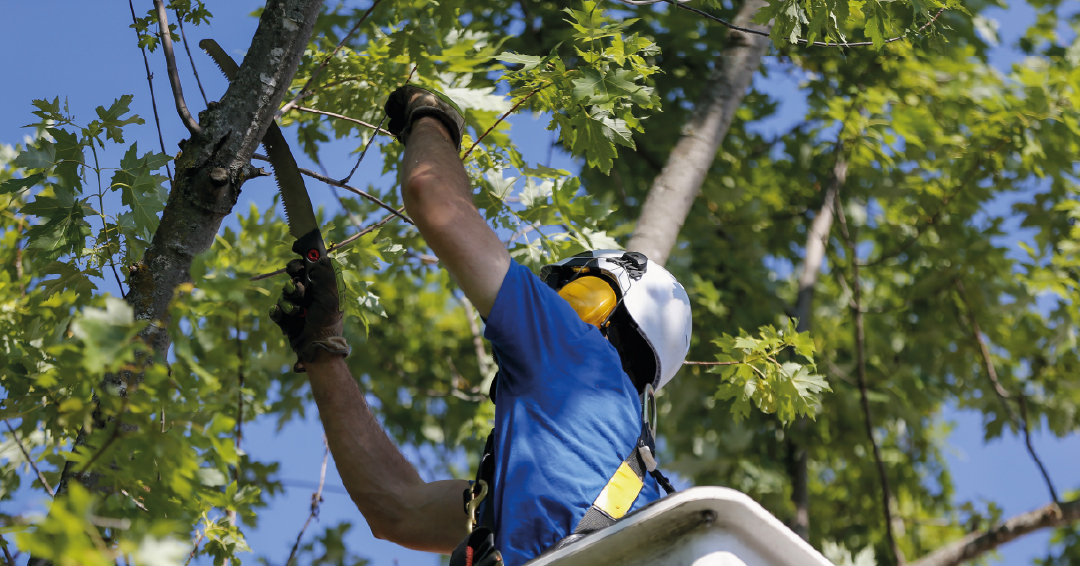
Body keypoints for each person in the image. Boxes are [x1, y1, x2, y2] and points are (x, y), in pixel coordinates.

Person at [268, 86, 693, 566]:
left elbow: (432, 195)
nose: (549, 300)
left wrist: (431, 117)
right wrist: (322, 350)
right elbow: (397, 510)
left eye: (564, 289)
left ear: (598, 303)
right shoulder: (564, 478)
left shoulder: (579, 354)